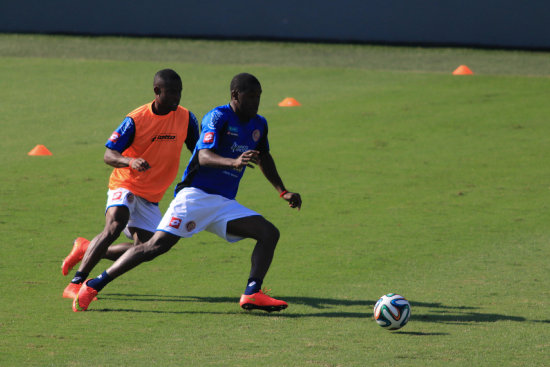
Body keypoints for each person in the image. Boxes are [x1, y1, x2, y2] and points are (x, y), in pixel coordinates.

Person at [73, 72, 302, 313]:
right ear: (235, 95)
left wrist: (283, 191)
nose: (256, 102)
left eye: (259, 97)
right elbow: (202, 156)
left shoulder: (259, 124)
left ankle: (252, 292)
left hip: (223, 203)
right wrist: (233, 162)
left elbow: (264, 157)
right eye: (251, 96)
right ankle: (93, 286)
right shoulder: (218, 116)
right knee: (153, 248)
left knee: (268, 233)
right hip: (194, 196)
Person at [62, 69, 199, 299]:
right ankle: (76, 283)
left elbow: (199, 152)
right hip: (125, 183)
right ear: (157, 91)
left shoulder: (186, 117)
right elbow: (109, 154)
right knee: (115, 225)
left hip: (152, 195)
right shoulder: (136, 119)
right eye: (172, 92)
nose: (177, 97)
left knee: (148, 248)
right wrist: (130, 161)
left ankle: (88, 249)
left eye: (180, 92)